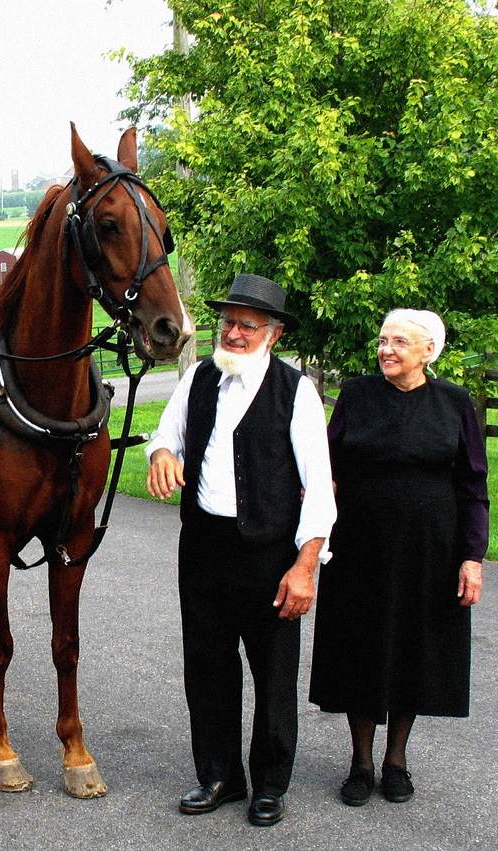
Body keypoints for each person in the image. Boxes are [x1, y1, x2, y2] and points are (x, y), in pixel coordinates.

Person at [146, 273, 336, 827]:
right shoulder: (198, 379)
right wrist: (161, 455)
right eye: (227, 322)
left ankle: (270, 784)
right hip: (204, 545)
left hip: (270, 551)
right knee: (207, 665)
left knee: (274, 671)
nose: (232, 333)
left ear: (271, 335)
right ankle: (220, 775)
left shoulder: (296, 392)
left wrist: (305, 567)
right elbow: (166, 435)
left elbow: (320, 488)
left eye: (245, 326)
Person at [309, 309, 488, 807]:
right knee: (361, 649)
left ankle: (396, 761)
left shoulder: (454, 403)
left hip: (430, 551)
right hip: (359, 549)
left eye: (400, 342)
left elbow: (473, 484)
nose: (386, 349)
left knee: (414, 649)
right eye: (383, 340)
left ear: (429, 351)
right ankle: (360, 762)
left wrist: (472, 556)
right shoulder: (357, 395)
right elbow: (328, 466)